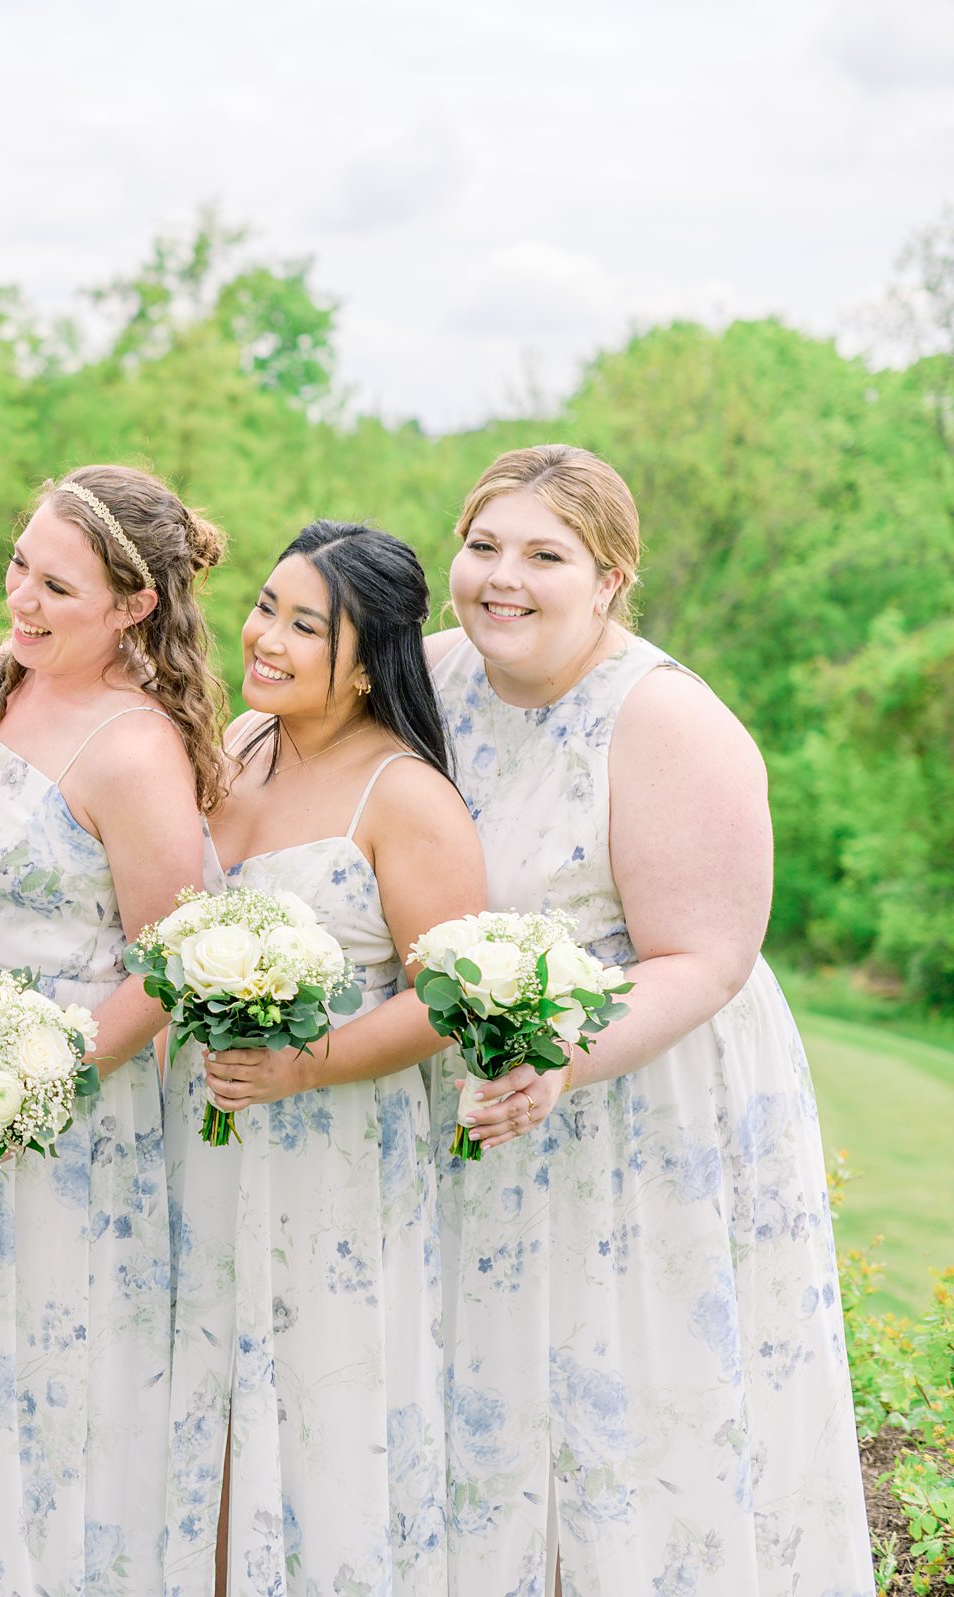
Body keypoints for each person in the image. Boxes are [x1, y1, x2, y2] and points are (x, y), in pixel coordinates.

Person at [430, 445, 870, 1595]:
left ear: (612, 577)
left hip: (640, 1098)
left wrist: (560, 1064)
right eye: (483, 546)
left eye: (544, 555)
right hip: (480, 1099)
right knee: (488, 1411)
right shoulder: (429, 679)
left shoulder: (667, 719)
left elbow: (707, 957)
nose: (502, 578)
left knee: (628, 1401)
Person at [0, 466, 216, 1593]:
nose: (21, 601)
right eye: (19, 567)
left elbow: (167, 967)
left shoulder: (135, 749)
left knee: (38, 1403)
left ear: (134, 607)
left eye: (58, 588)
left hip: (62, 1128)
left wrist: (29, 1089)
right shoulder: (13, 679)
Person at [166, 521, 481, 1594]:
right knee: (201, 1404)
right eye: (266, 607)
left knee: (317, 1407)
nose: (267, 636)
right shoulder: (239, 743)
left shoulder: (405, 796)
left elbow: (448, 995)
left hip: (334, 1157)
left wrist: (308, 1064)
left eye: (308, 625)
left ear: (372, 656)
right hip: (201, 1141)